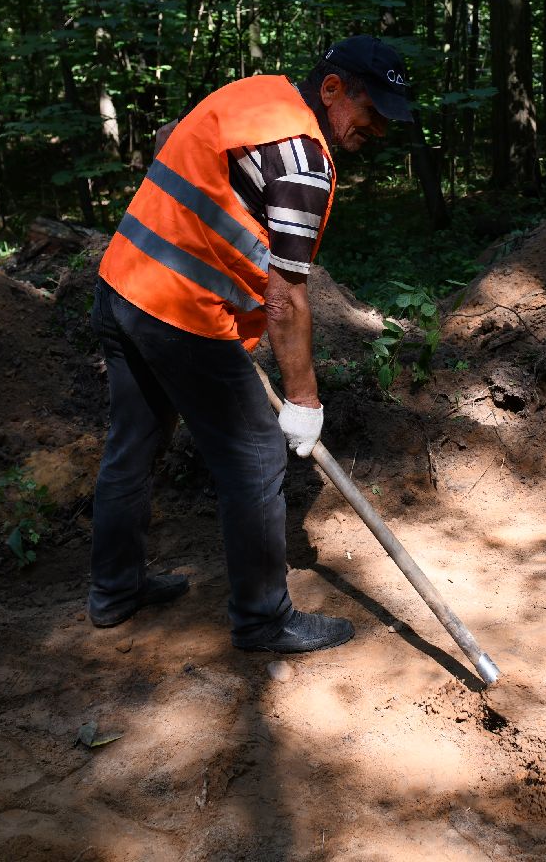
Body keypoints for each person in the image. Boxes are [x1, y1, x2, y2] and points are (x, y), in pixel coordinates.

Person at [85, 35, 414, 653]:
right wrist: (305, 402)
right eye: (373, 115)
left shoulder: (252, 96)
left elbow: (168, 141)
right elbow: (286, 297)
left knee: (132, 448)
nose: (380, 132)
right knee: (258, 459)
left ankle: (114, 592)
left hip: (121, 284)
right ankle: (264, 619)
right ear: (334, 89)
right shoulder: (306, 165)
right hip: (179, 313)